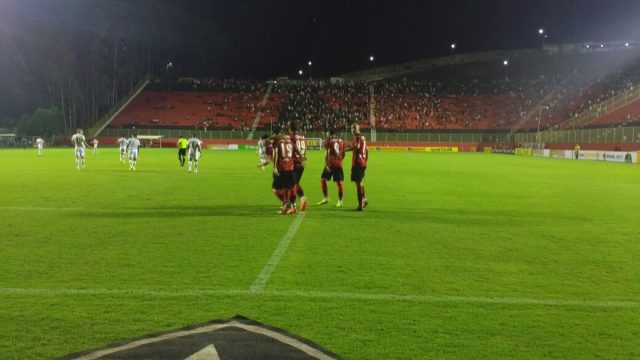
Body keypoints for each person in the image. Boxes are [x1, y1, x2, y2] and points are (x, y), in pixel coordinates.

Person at [317, 128, 345, 207]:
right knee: (339, 183)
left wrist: (326, 164)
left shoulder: (329, 141)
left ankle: (325, 197)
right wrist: (340, 160)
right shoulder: (341, 141)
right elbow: (343, 153)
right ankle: (340, 201)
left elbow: (327, 153)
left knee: (323, 180)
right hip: (338, 164)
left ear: (329, 134)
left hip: (330, 164)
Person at [272, 127, 296, 214]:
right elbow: (295, 151)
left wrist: (274, 167)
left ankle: (287, 203)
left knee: (275, 189)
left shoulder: (277, 142)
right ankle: (288, 206)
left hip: (282, 168)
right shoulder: (290, 141)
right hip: (290, 168)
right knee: (287, 188)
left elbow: (275, 155)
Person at [344, 123, 368, 211]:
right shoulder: (363, 137)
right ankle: (364, 199)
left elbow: (357, 147)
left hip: (357, 163)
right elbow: (367, 150)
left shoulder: (357, 136)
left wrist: (345, 150)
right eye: (351, 128)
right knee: (360, 182)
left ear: (357, 128)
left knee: (358, 184)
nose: (352, 130)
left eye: (353, 128)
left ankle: (360, 204)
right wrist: (366, 161)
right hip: (362, 162)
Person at [289, 121, 308, 212]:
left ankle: (293, 206)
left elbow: (292, 149)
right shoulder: (303, 137)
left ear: (290, 129)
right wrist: (303, 158)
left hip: (294, 163)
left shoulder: (291, 138)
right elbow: (305, 149)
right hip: (301, 164)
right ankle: (300, 200)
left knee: (291, 185)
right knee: (295, 184)